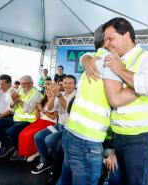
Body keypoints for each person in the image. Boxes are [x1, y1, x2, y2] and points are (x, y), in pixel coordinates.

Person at [83, 18, 148, 185]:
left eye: (110, 38)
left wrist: (121, 70)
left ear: (127, 35)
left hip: (139, 139)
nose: (106, 43)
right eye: (105, 39)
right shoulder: (113, 57)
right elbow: (88, 56)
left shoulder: (146, 57)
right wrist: (85, 60)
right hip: (118, 136)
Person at [57, 25, 137, 185]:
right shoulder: (110, 63)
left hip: (72, 134)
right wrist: (142, 89)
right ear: (107, 41)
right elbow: (117, 99)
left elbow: (85, 56)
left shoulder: (94, 58)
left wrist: (85, 58)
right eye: (114, 38)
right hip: (87, 141)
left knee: (65, 180)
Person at [32, 75, 77, 175]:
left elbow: (68, 109)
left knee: (49, 140)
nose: (67, 85)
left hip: (69, 128)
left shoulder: (77, 96)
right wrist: (53, 95)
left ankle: (58, 163)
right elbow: (50, 108)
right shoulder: (60, 94)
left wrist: (58, 95)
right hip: (59, 125)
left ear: (75, 85)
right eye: (65, 83)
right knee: (38, 136)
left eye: (70, 83)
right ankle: (46, 161)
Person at [0, 75, 42, 159]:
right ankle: (9, 145)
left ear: (32, 83)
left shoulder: (36, 94)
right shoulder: (20, 90)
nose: (25, 86)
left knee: (11, 131)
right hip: (16, 118)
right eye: (23, 84)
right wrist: (13, 102)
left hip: (28, 120)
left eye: (27, 83)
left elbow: (28, 109)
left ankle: (19, 150)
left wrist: (18, 100)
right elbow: (12, 107)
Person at [18, 85, 58, 160]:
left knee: (30, 135)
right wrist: (37, 109)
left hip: (50, 123)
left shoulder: (56, 100)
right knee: (23, 133)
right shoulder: (43, 101)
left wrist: (42, 110)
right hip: (40, 121)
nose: (48, 91)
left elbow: (54, 117)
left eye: (50, 89)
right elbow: (38, 117)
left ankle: (35, 152)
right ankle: (25, 153)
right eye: (47, 89)